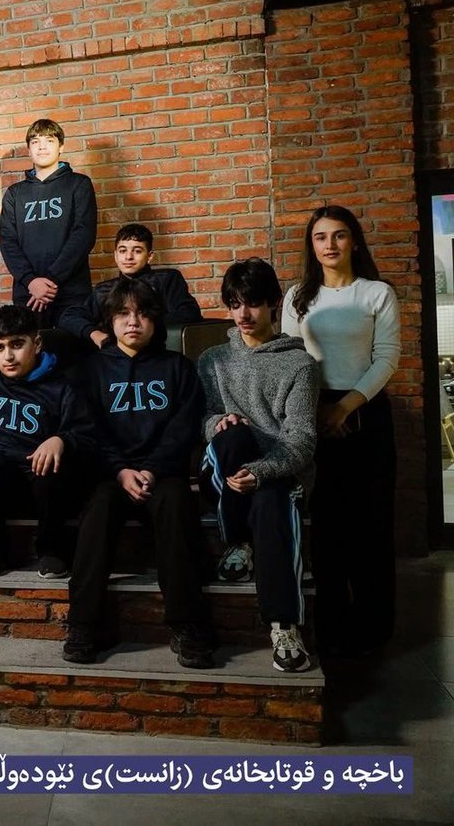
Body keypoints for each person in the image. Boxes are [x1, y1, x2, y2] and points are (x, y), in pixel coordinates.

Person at [64, 278, 215, 669]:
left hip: (162, 475)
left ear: (156, 320)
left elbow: (184, 429)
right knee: (97, 510)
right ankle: (83, 624)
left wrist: (151, 468)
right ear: (110, 321)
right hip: (111, 476)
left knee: (177, 503)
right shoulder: (89, 371)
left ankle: (187, 625)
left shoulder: (177, 368)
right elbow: (88, 431)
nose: (133, 321)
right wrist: (120, 471)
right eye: (124, 313)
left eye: (143, 313)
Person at [282, 206, 400, 658]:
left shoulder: (376, 293)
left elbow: (387, 358)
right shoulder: (298, 297)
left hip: (365, 410)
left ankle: (374, 627)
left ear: (354, 241)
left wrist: (345, 407)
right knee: (327, 524)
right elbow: (291, 358)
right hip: (312, 408)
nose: (330, 244)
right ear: (311, 245)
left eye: (339, 235)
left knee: (371, 524)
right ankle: (331, 626)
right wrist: (320, 409)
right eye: (320, 237)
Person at [199, 258, 318, 673]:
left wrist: (264, 471)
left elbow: (302, 439)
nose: (243, 314)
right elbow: (201, 417)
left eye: (252, 303)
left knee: (271, 502)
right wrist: (217, 422)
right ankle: (238, 541)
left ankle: (284, 625)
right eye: (234, 304)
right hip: (226, 468)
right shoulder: (213, 360)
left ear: (273, 303)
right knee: (232, 435)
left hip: (277, 471)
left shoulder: (300, 365)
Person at [0, 304, 95, 580]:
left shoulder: (63, 386)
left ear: (36, 343)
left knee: (50, 468)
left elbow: (86, 434)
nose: (8, 356)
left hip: (46, 479)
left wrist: (60, 439)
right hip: (2, 476)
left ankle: (51, 550)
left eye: (17, 345)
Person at [0, 118, 97, 329]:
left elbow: (83, 235)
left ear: (61, 146)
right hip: (29, 295)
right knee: (29, 347)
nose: (42, 147)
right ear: (29, 150)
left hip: (71, 292)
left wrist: (51, 280)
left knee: (73, 348)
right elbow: (8, 243)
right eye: (35, 142)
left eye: (49, 140)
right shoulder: (15, 194)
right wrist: (31, 281)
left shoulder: (79, 184)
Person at [58, 223, 203, 348]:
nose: (128, 257)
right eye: (123, 251)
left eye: (137, 251)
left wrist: (145, 331)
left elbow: (188, 312)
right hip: (114, 354)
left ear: (150, 256)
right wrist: (95, 334)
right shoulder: (104, 290)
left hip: (157, 350)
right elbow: (69, 316)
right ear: (116, 255)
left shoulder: (166, 279)